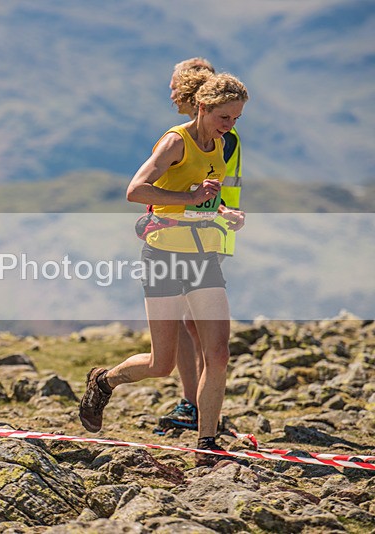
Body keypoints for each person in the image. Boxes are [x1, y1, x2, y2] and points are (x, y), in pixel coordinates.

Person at [79, 70, 248, 467]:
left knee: (219, 353)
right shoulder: (176, 141)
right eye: (225, 117)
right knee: (162, 363)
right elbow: (135, 190)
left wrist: (224, 212)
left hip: (203, 256)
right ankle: (104, 381)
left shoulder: (220, 144)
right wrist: (188, 197)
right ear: (203, 107)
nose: (230, 126)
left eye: (237, 118)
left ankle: (206, 442)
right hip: (163, 257)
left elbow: (206, 197)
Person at [156, 58, 244, 433]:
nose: (171, 92)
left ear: (192, 90)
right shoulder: (185, 136)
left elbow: (204, 191)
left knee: (195, 329)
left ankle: (197, 407)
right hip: (187, 235)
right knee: (187, 325)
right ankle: (196, 404)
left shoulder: (216, 138)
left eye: (175, 84)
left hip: (202, 238)